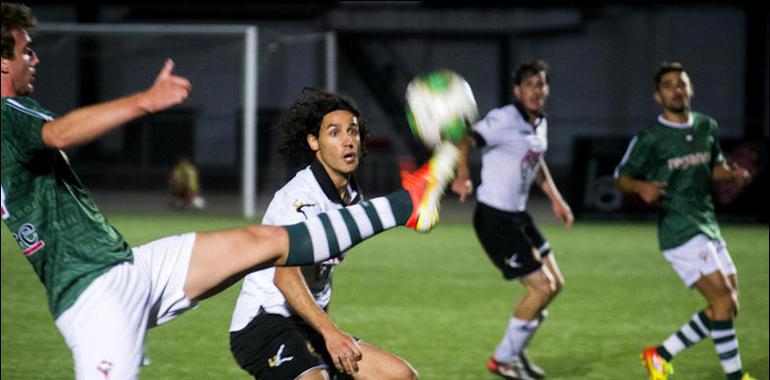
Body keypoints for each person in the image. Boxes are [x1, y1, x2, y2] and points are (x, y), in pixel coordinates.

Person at [0, 3, 459, 379]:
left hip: (127, 267)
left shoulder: (19, 109)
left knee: (265, 241)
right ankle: (409, 203)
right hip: (93, 296)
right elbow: (59, 135)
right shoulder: (5, 115)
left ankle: (409, 202)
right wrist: (145, 100)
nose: (34, 58)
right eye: (26, 50)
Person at [229, 88, 419, 380]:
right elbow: (285, 276)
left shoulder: (351, 194)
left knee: (399, 375)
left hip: (308, 321)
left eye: (353, 131)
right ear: (314, 142)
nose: (348, 141)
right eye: (334, 133)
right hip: (263, 321)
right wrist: (331, 333)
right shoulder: (300, 200)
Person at [614, 62, 755, 380]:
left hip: (707, 222)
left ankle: (660, 355)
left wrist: (732, 174)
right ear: (657, 96)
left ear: (690, 89)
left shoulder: (707, 126)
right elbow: (621, 177)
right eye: (668, 85)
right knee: (722, 299)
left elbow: (712, 167)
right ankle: (735, 377)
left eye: (681, 83)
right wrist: (641, 187)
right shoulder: (651, 138)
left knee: (729, 305)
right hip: (678, 228)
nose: (676, 89)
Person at [452, 59, 573, 380]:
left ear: (546, 90)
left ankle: (513, 354)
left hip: (519, 216)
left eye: (541, 85)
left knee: (555, 284)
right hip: (495, 219)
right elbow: (464, 139)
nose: (536, 91)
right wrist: (463, 176)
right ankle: (503, 359)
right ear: (519, 91)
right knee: (540, 289)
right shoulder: (503, 119)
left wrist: (557, 200)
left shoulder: (539, 123)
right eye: (530, 85)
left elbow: (537, 163)